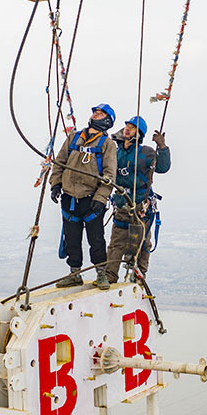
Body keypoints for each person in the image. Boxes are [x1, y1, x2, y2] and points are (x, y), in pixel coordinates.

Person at [50, 104, 118, 289]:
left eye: (101, 112)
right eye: (95, 111)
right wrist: (55, 184)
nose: (96, 113)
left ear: (107, 119)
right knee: (71, 238)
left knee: (96, 238)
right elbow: (60, 162)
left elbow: (109, 174)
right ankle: (75, 273)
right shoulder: (74, 137)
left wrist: (101, 197)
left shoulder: (107, 144)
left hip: (91, 198)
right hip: (70, 197)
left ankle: (101, 273)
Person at [104, 115, 171, 284]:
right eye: (127, 126)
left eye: (132, 127)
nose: (127, 129)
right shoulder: (116, 152)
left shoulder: (145, 153)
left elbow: (162, 168)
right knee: (116, 243)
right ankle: (110, 276)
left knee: (142, 243)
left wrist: (162, 147)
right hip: (121, 204)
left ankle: (139, 276)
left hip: (141, 206)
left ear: (138, 133)